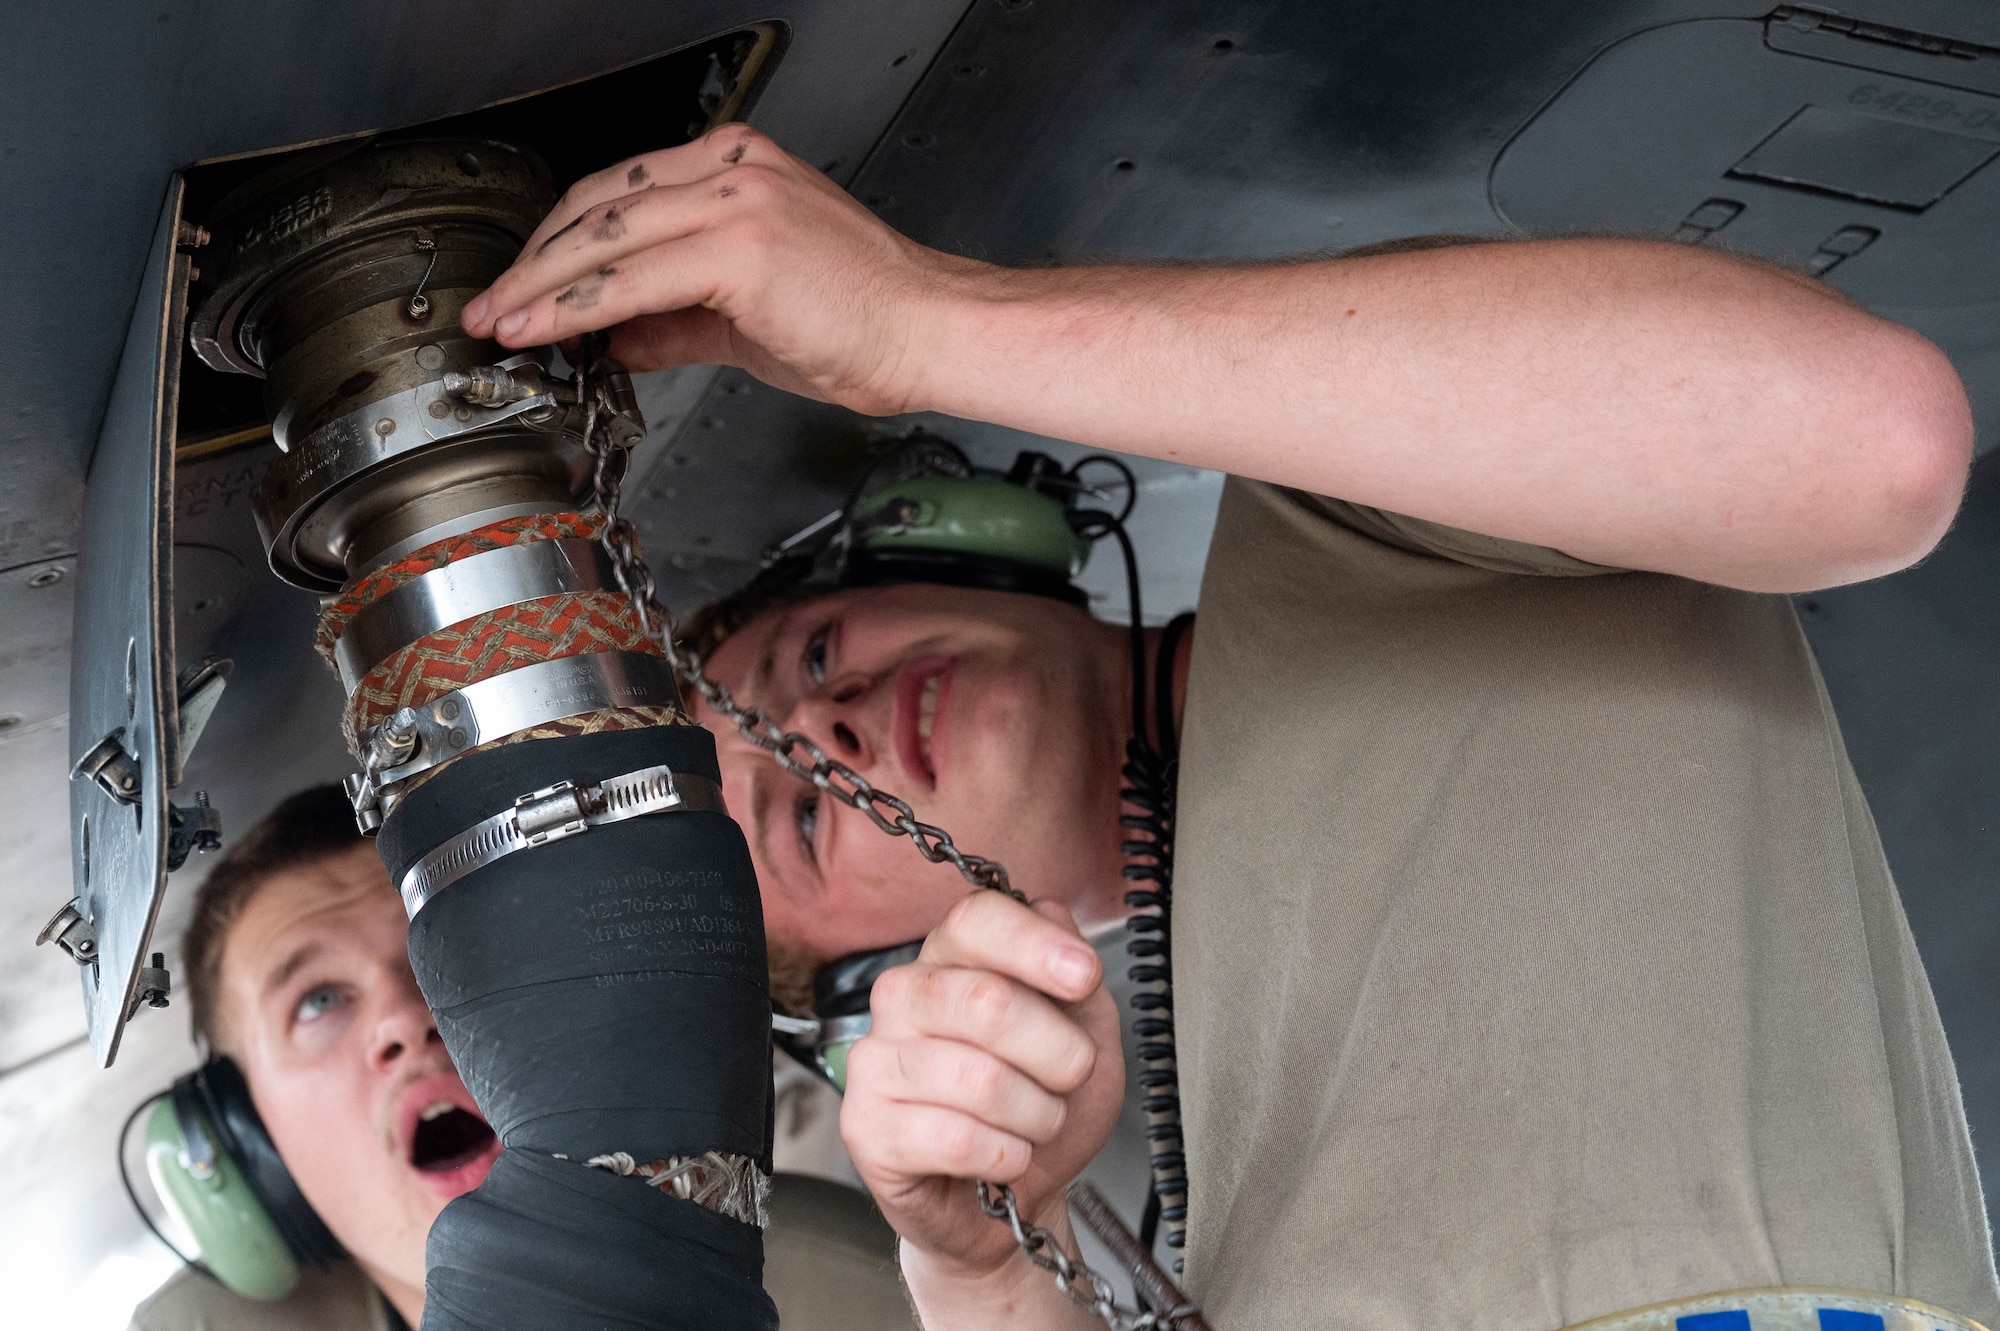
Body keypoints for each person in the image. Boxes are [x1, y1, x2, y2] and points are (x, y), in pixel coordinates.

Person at [461, 122, 2000, 1331]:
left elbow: (1877, 440)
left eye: (808, 652)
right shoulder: (1144, 1176)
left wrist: (923, 322)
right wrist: (983, 1267)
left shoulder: (1385, 497)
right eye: (799, 809)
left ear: (949, 548)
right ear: (879, 981)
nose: (834, 721)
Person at [131, 786, 916, 1331]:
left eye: (444, 956)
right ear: (250, 1144)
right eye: (318, 999)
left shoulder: (872, 1299)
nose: (407, 1017)